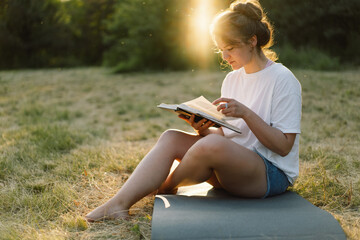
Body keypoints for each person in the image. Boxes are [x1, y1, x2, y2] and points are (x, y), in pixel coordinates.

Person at [85, 0, 301, 221]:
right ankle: (119, 204)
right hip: (233, 169)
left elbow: (284, 147)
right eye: (220, 50)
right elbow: (227, 139)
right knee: (170, 138)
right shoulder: (232, 79)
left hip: (269, 175)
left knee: (212, 145)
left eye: (230, 48)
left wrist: (246, 113)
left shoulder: (283, 79)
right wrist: (203, 128)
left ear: (252, 41)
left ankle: (165, 187)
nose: (225, 57)